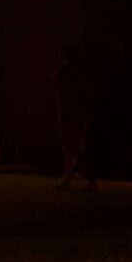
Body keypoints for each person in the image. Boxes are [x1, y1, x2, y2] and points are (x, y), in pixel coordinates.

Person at [52, 43, 98, 191]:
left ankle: (88, 179)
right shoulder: (79, 73)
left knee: (72, 148)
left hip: (68, 113)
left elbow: (57, 86)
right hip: (77, 113)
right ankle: (67, 179)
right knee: (72, 148)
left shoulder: (65, 72)